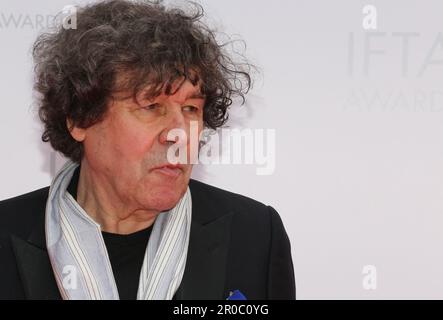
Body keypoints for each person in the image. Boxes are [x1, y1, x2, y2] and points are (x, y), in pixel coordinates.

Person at [0, 0, 295, 300]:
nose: (179, 134)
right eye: (151, 106)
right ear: (79, 117)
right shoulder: (5, 233)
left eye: (191, 108)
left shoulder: (256, 236)